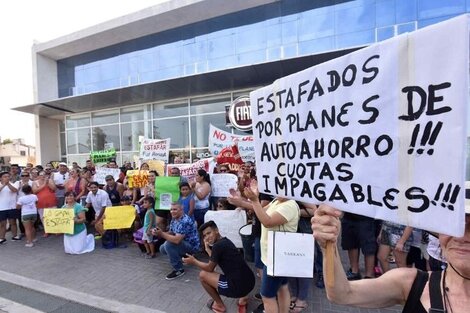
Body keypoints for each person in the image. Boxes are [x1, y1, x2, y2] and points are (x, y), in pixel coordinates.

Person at [311, 204, 470, 313]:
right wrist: (328, 246)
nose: (461, 236)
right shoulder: (412, 283)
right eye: (454, 224)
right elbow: (341, 293)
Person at [244, 180, 300, 313]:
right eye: (279, 186)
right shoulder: (277, 201)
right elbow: (262, 212)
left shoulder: (289, 205)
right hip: (275, 254)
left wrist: (255, 200)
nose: (280, 190)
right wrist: (244, 201)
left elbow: (267, 221)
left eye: (284, 187)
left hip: (276, 257)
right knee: (282, 287)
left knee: (267, 296)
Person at [183, 221, 255, 313]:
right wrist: (207, 249)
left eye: (209, 233)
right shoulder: (225, 241)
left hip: (238, 286)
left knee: (203, 275)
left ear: (216, 230)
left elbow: (210, 268)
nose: (207, 237)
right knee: (234, 272)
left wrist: (194, 261)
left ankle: (220, 306)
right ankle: (243, 298)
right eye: (204, 236)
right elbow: (214, 260)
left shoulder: (218, 246)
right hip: (250, 281)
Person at [153, 202, 200, 280]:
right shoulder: (174, 218)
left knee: (168, 244)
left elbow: (177, 240)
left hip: (192, 246)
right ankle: (185, 256)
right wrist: (158, 232)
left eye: (175, 209)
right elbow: (171, 232)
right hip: (184, 243)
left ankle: (179, 269)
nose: (172, 211)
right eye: (171, 209)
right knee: (162, 248)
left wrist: (161, 234)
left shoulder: (184, 221)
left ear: (181, 210)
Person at [32, 170, 57, 237]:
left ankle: (55, 230)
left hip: (51, 201)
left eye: (44, 175)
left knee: (53, 216)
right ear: (38, 176)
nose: (42, 176)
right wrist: (44, 184)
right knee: (43, 217)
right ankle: (47, 230)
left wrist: (47, 182)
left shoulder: (50, 180)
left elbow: (54, 188)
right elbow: (34, 191)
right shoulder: (35, 182)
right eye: (41, 175)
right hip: (41, 202)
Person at [0, 172, 20, 243]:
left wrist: (8, 184)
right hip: (2, 208)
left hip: (12, 207)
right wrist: (4, 185)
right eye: (5, 177)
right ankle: (2, 238)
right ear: (1, 178)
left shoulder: (14, 183)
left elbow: (15, 190)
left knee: (13, 222)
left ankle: (15, 236)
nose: (7, 178)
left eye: (8, 176)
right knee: (3, 224)